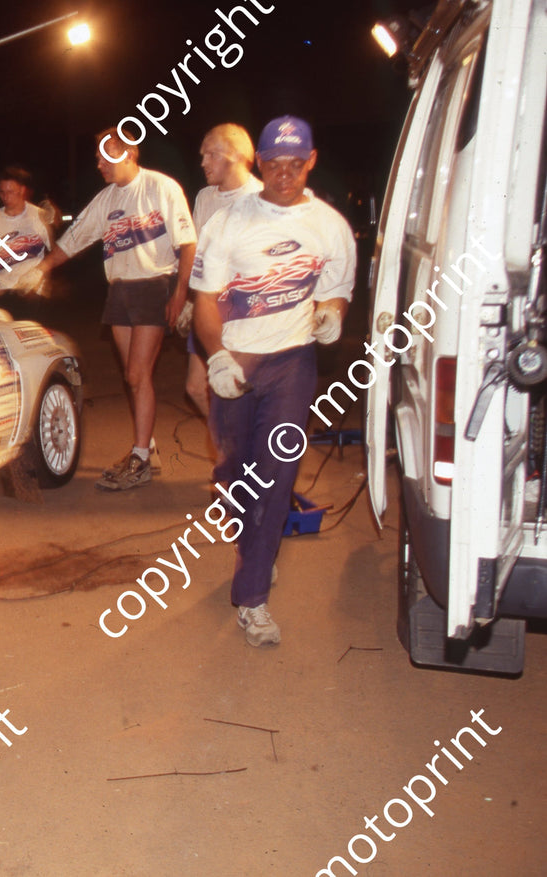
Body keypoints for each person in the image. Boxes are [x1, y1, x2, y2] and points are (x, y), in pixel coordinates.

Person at [190, 115, 356, 647]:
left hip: (291, 363)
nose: (284, 175)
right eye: (274, 164)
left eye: (295, 164)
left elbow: (335, 292)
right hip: (236, 360)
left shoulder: (331, 227)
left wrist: (331, 313)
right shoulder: (228, 221)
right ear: (259, 164)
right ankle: (253, 544)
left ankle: (253, 595)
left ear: (311, 161)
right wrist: (216, 357)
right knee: (234, 472)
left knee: (277, 475)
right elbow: (204, 303)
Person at [33, 129, 197, 490]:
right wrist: (39, 269)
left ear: (128, 153)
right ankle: (146, 446)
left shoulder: (161, 187)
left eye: (104, 155)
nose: (98, 163)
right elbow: (74, 239)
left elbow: (188, 242)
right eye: (96, 157)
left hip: (153, 286)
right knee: (132, 377)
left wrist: (180, 293)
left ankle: (140, 459)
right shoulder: (106, 199)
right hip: (119, 290)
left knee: (138, 376)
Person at [185, 124, 264, 420]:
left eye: (211, 154)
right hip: (208, 307)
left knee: (239, 390)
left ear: (236, 155)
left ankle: (244, 454)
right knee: (195, 387)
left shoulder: (262, 197)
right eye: (203, 155)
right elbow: (196, 253)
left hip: (244, 311)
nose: (203, 162)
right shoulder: (205, 197)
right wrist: (190, 301)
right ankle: (229, 452)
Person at [0, 166, 54, 298]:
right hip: (1, 292)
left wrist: (55, 226)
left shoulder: (39, 216)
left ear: (22, 190)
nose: (6, 197)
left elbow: (55, 251)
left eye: (11, 191)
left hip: (32, 293)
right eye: (2, 192)